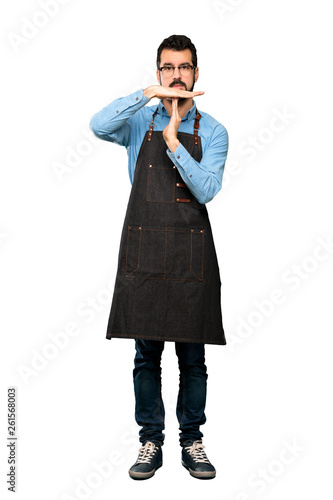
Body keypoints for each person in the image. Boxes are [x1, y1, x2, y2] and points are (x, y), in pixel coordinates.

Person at [89, 34, 229, 480]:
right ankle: (151, 439)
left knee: (193, 359)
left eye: (184, 67)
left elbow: (207, 189)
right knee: (146, 356)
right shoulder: (137, 122)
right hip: (146, 254)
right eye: (167, 68)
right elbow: (97, 124)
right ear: (159, 73)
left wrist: (172, 142)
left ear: (196, 74)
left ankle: (193, 441)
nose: (176, 75)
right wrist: (145, 96)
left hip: (191, 259)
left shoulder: (214, 131)